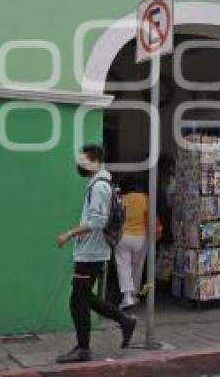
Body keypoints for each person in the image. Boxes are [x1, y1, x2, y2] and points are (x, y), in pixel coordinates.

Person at [55, 144, 137, 363]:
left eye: (82, 159)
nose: (79, 163)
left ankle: (84, 348)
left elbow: (98, 221)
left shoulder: (99, 186)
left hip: (92, 252)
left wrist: (69, 233)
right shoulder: (98, 183)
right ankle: (124, 320)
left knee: (78, 298)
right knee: (82, 297)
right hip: (91, 251)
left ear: (93, 160)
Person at [114, 175, 150, 310]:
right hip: (141, 237)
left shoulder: (120, 199)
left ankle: (127, 296)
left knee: (123, 266)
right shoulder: (144, 198)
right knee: (138, 266)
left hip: (123, 236)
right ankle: (134, 295)